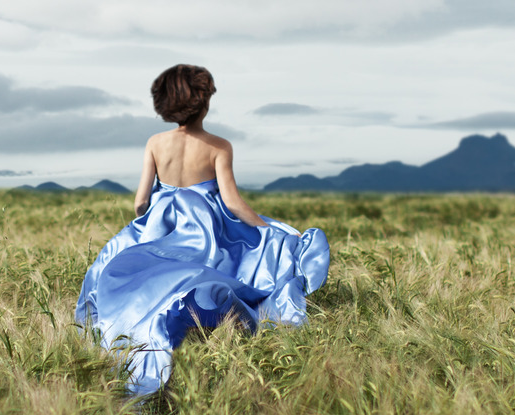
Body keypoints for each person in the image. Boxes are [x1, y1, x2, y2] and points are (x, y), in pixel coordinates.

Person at [75, 64, 329, 396]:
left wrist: (151, 222)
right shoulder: (218, 146)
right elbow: (234, 203)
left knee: (134, 271)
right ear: (204, 101)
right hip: (205, 227)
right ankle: (211, 316)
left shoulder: (155, 142)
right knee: (221, 264)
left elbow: (140, 202)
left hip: (161, 225)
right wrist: (271, 231)